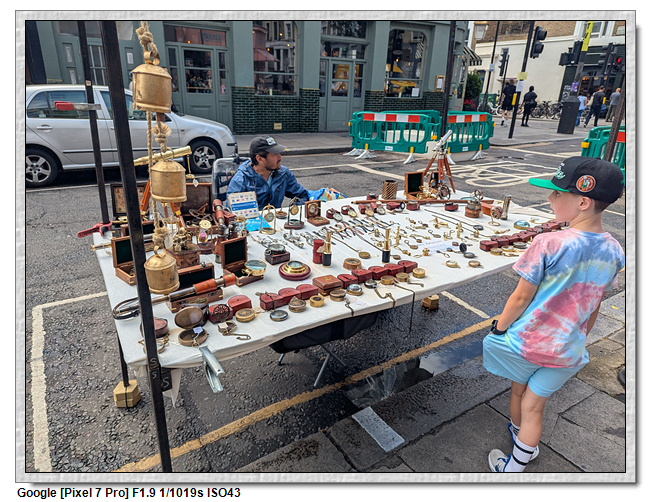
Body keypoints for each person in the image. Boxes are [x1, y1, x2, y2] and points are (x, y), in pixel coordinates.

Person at [483, 156, 625, 473]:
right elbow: (594, 304)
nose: (549, 198)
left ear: (583, 202)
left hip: (527, 343)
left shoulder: (547, 243)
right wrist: (579, 339)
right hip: (567, 351)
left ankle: (515, 453)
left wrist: (498, 329)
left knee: (519, 393)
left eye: (557, 193)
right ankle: (521, 455)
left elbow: (521, 297)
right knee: (535, 406)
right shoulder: (615, 251)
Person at [226, 136, 309, 209]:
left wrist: (293, 212)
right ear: (259, 159)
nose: (280, 157)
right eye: (274, 154)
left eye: (279, 153)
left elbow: (302, 195)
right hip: (254, 221)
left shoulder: (283, 173)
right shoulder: (240, 181)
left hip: (277, 220)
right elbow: (233, 212)